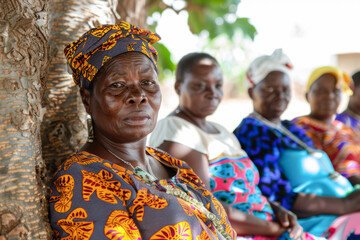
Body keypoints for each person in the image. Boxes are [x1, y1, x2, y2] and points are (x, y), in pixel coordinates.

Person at [48, 22, 237, 240]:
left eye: (147, 82)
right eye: (117, 85)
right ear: (87, 99)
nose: (138, 95)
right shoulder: (84, 179)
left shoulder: (172, 164)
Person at [149, 52, 322, 240]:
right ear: (178, 87)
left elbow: (249, 190)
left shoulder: (221, 131)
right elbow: (205, 206)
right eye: (200, 85)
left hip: (266, 227)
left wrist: (278, 211)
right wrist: (274, 229)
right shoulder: (176, 129)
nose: (212, 92)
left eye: (218, 85)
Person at [233, 49, 360, 238]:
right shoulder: (253, 133)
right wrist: (345, 204)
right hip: (319, 222)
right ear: (252, 91)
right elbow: (276, 196)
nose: (280, 95)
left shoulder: (289, 128)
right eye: (270, 89)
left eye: (285, 89)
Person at [292, 66, 360, 185]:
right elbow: (318, 169)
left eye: (336, 91)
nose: (329, 96)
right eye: (321, 90)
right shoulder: (300, 126)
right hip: (337, 195)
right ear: (308, 95)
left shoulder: (343, 128)